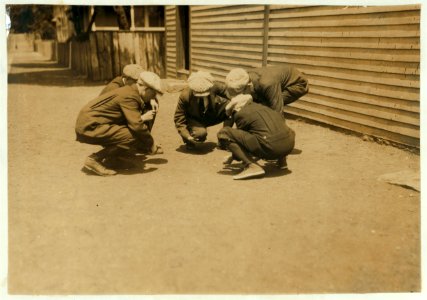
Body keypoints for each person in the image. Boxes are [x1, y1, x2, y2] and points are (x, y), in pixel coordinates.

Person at [75, 71, 163, 176]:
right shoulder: (130, 96)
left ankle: (112, 160)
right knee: (133, 135)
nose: (153, 97)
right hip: (90, 126)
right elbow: (137, 126)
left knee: (129, 132)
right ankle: (94, 159)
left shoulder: (130, 91)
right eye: (153, 93)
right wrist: (151, 144)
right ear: (146, 89)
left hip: (93, 122)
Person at [217, 94, 295, 180]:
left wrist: (236, 154)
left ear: (237, 108)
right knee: (275, 131)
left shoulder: (241, 114)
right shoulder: (266, 108)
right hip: (289, 145)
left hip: (271, 147)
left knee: (224, 133)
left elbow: (242, 141)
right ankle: (282, 162)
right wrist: (233, 156)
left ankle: (251, 166)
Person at [174, 71, 231, 150]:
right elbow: (179, 119)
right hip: (195, 119)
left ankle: (224, 137)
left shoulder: (215, 86)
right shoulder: (185, 95)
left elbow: (231, 95)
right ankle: (191, 140)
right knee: (200, 134)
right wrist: (187, 136)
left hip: (211, 114)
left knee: (232, 106)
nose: (201, 96)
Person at [225, 65, 309, 114]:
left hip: (297, 83)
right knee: (255, 105)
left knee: (268, 107)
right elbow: (233, 107)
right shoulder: (243, 77)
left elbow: (278, 112)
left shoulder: (267, 84)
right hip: (275, 81)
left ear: (248, 86)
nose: (240, 96)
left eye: (241, 93)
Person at [100, 64, 160, 131]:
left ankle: (144, 133)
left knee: (150, 104)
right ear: (126, 79)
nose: (139, 83)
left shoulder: (128, 86)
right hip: (108, 125)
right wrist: (141, 118)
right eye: (136, 81)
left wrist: (152, 98)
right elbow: (114, 115)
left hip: (124, 115)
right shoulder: (114, 89)